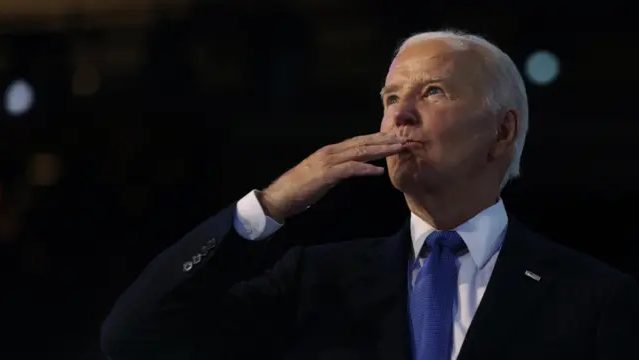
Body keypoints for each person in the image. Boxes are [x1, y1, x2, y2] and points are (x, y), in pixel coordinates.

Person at [100, 30, 639, 360]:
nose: (399, 114)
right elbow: (136, 339)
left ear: (502, 132)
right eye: (390, 96)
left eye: (433, 92)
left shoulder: (595, 300)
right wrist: (267, 207)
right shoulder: (314, 282)